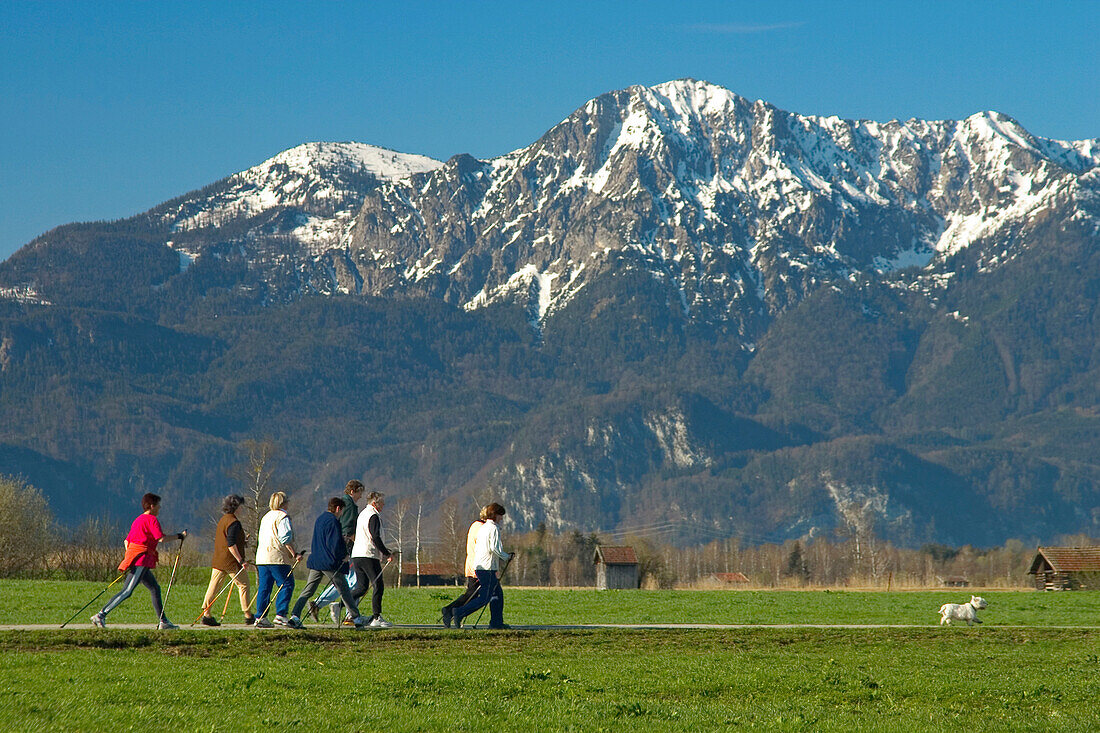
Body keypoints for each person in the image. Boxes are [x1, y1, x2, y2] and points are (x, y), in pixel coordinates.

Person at [91, 493, 187, 629]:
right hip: (141, 560)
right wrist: (179, 536)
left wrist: (130, 555)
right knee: (127, 591)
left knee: (154, 588)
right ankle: (100, 615)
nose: (160, 507)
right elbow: (161, 538)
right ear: (152, 506)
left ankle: (163, 621)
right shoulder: (151, 520)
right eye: (158, 505)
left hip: (137, 559)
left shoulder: (138, 520)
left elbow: (127, 541)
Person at [288, 498, 369, 628]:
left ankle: (294, 615)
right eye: (341, 510)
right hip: (329, 563)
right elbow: (335, 543)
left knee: (308, 590)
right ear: (338, 508)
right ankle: (356, 618)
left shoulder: (320, 519)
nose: (341, 513)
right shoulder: (334, 522)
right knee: (344, 590)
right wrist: (344, 556)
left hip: (316, 561)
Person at [308, 480, 363, 624]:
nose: (360, 496)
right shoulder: (349, 506)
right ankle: (349, 614)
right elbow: (348, 528)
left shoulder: (347, 503)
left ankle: (325, 605)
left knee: (343, 581)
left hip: (341, 547)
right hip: (347, 547)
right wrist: (355, 542)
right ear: (352, 491)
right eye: (359, 492)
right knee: (352, 581)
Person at [452, 502, 513, 630]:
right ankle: (460, 612)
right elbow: (494, 548)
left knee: (497, 595)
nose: (501, 518)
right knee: (485, 598)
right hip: (488, 568)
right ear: (495, 515)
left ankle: (497, 622)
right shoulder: (494, 528)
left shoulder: (483, 527)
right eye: (500, 515)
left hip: (480, 567)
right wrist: (507, 557)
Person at [198, 494, 253, 626]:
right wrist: (241, 561)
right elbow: (231, 544)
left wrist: (243, 541)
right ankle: (248, 614)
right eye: (240, 506)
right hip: (231, 561)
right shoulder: (234, 522)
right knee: (244, 585)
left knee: (214, 586)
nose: (242, 509)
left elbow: (227, 540)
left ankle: (207, 613)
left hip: (218, 559)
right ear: (236, 507)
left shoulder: (223, 520)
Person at [254, 491, 304, 628]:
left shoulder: (266, 517)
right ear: (284, 503)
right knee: (287, 584)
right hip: (277, 557)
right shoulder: (283, 517)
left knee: (265, 587)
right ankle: (281, 614)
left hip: (262, 557)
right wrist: (295, 554)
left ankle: (260, 616)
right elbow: (285, 538)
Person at [350, 491, 395, 628]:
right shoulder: (373, 515)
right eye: (382, 503)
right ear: (375, 503)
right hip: (369, 555)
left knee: (362, 587)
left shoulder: (362, 514)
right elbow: (375, 536)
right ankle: (377, 617)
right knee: (378, 585)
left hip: (357, 554)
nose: (383, 506)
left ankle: (341, 604)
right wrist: (386, 553)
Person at [441, 505, 489, 628]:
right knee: (474, 594)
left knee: (472, 593)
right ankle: (452, 611)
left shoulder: (475, 525)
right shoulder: (482, 528)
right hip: (478, 565)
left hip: (472, 563)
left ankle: (453, 612)